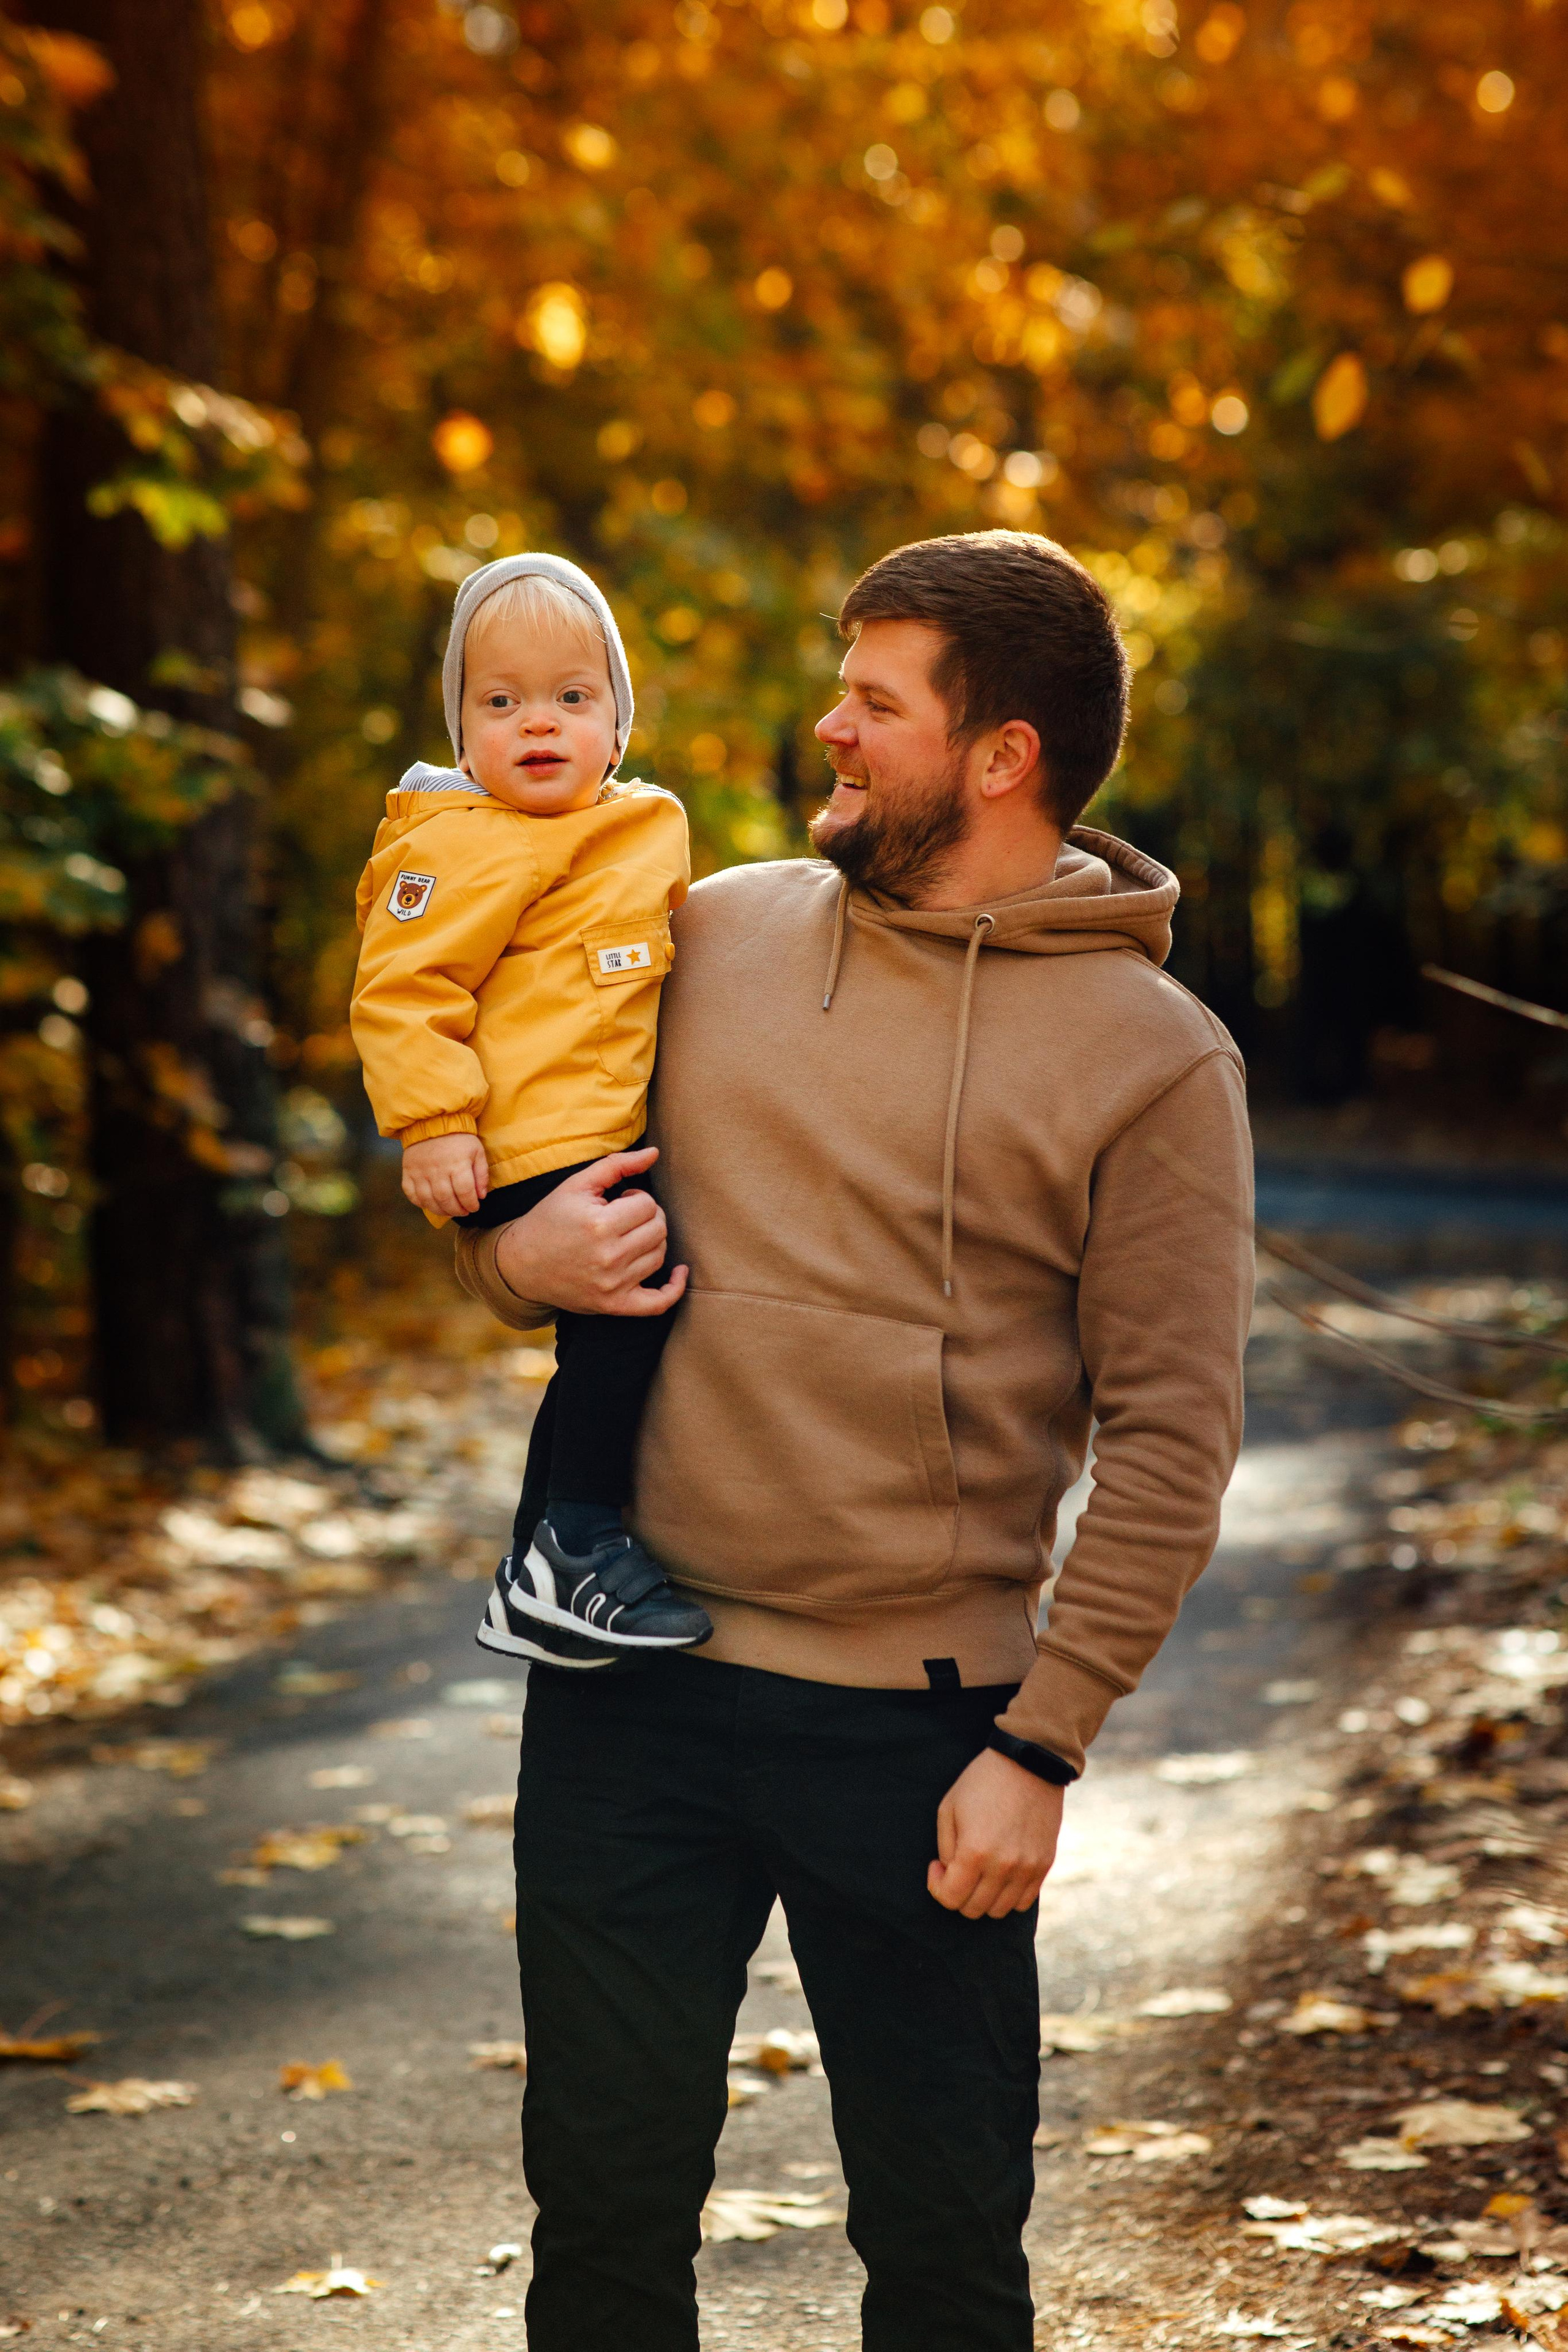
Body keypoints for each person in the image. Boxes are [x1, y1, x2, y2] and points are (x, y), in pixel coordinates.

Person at [456, 530, 1256, 2351]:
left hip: (921, 1736)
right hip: (625, 1691)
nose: (829, 725)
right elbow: (525, 1178)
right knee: (599, 2224)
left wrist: (1042, 1749)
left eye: (875, 703)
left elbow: (1172, 1438)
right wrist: (514, 1259)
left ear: (1003, 756)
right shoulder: (709, 929)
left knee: (948, 2250)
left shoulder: (1155, 1059)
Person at [350, 552, 712, 1667]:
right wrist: (436, 1125)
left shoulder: (644, 825)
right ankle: (576, 1538)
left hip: (596, 1130)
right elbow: (403, 990)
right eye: (499, 703)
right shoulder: (458, 844)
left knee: (611, 1335)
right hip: (516, 1142)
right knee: (626, 1312)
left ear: (617, 724)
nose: (536, 725)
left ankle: (547, 1556)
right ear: (463, 733)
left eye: (571, 697)